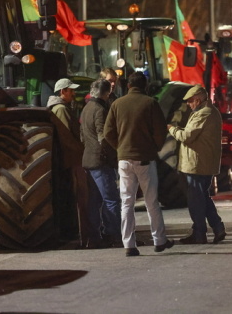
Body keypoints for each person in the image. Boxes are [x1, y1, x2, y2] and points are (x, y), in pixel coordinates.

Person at [103, 71, 174, 256]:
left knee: (126, 202)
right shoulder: (150, 103)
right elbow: (160, 132)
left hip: (124, 160)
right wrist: (154, 148)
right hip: (145, 160)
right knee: (152, 202)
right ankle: (159, 241)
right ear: (146, 86)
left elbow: (107, 132)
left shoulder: (117, 104)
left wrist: (121, 147)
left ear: (128, 86)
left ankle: (129, 245)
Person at [167, 85, 226, 245]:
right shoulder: (205, 112)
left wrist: (172, 130)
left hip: (198, 164)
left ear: (198, 100)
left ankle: (199, 233)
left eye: (190, 101)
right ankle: (217, 227)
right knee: (203, 197)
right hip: (200, 163)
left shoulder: (204, 113)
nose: (188, 104)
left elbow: (187, 136)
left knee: (196, 200)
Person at [47, 78, 91, 248]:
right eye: (70, 90)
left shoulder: (63, 108)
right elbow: (67, 138)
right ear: (62, 91)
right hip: (71, 159)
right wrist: (82, 151)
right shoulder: (61, 110)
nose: (73, 93)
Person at [80, 79, 121, 248]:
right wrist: (114, 154)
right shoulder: (100, 109)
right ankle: (113, 234)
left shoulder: (86, 109)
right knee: (111, 200)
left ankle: (94, 236)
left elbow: (82, 137)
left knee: (94, 201)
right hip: (100, 162)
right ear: (107, 93)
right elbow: (103, 136)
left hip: (88, 160)